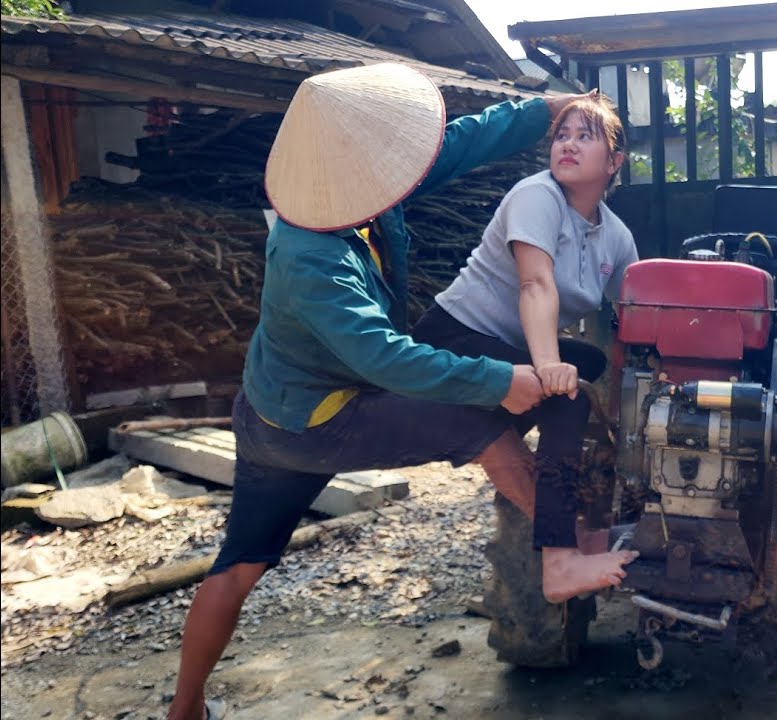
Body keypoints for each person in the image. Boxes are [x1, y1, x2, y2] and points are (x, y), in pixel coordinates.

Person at [167, 64, 635, 720]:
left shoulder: (364, 196)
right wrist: (501, 381)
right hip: (320, 419)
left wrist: (546, 108)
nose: (400, 171)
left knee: (240, 564)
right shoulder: (308, 258)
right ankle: (563, 555)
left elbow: (465, 140)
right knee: (485, 427)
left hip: (268, 406)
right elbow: (385, 360)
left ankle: (183, 711)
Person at [412, 92, 638, 603]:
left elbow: (636, 316)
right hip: (454, 336)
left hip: (507, 341)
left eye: (585, 137)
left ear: (614, 162)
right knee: (567, 395)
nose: (568, 146)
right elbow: (536, 286)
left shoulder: (616, 237)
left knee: (594, 365)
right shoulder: (536, 196)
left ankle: (577, 485)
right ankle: (560, 562)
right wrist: (547, 367)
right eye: (561, 135)